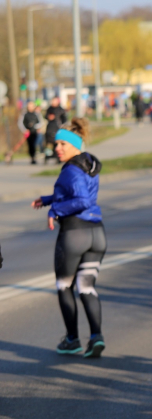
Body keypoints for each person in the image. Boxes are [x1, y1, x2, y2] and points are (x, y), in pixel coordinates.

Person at [32, 118, 107, 357]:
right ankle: (96, 337)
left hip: (75, 233)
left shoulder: (71, 170)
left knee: (64, 286)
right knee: (86, 287)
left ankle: (72, 339)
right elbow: (73, 193)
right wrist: (47, 199)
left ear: (75, 145)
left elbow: (82, 200)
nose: (57, 148)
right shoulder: (87, 164)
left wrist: (55, 210)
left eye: (63, 143)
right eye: (56, 144)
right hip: (97, 233)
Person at [44, 97, 68, 163]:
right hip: (49, 128)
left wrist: (62, 126)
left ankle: (58, 158)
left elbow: (65, 119)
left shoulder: (61, 109)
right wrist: (49, 117)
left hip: (58, 129)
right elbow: (45, 116)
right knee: (48, 144)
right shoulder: (49, 109)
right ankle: (47, 157)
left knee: (57, 144)